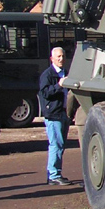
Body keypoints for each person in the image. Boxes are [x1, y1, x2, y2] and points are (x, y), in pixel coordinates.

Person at [39, 47, 74, 186]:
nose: (61, 59)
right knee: (56, 145)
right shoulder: (47, 75)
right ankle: (53, 175)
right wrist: (58, 85)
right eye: (58, 56)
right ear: (52, 59)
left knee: (61, 144)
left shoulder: (66, 73)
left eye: (63, 56)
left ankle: (55, 173)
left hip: (64, 113)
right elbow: (45, 93)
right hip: (53, 115)